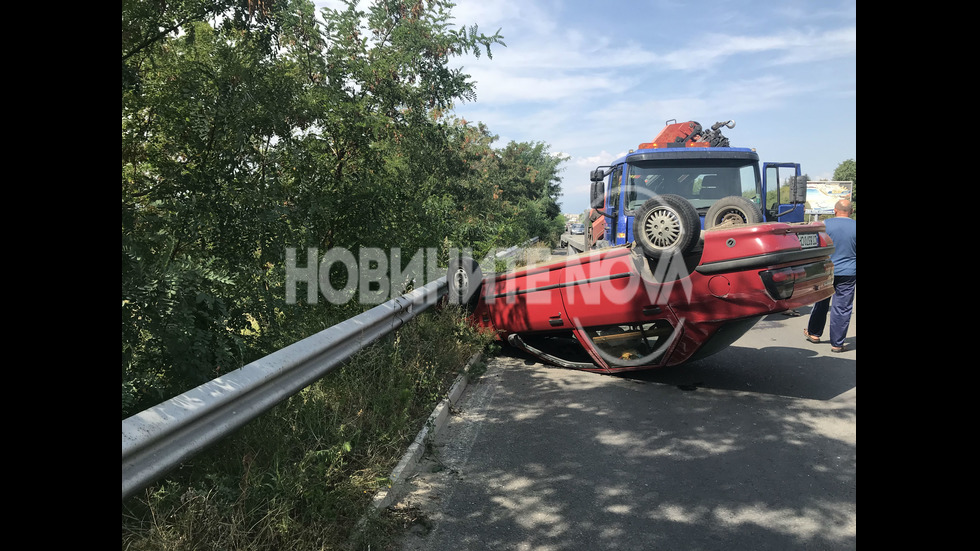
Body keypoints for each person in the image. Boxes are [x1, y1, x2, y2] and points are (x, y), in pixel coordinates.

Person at [804, 199, 856, 352]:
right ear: (851, 212)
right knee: (843, 307)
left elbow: (813, 248)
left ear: (835, 210)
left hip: (825, 270)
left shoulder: (823, 225)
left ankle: (814, 333)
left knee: (821, 301)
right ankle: (837, 343)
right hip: (849, 272)